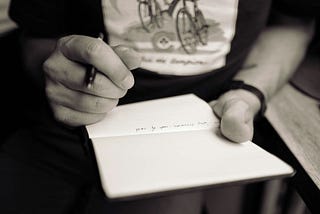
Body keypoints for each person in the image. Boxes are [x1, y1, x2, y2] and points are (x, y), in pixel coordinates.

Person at [0, 0, 316, 213]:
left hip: (186, 145)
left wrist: (247, 93)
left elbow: (293, 22)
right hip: (47, 133)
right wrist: (57, 72)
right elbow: (38, 34)